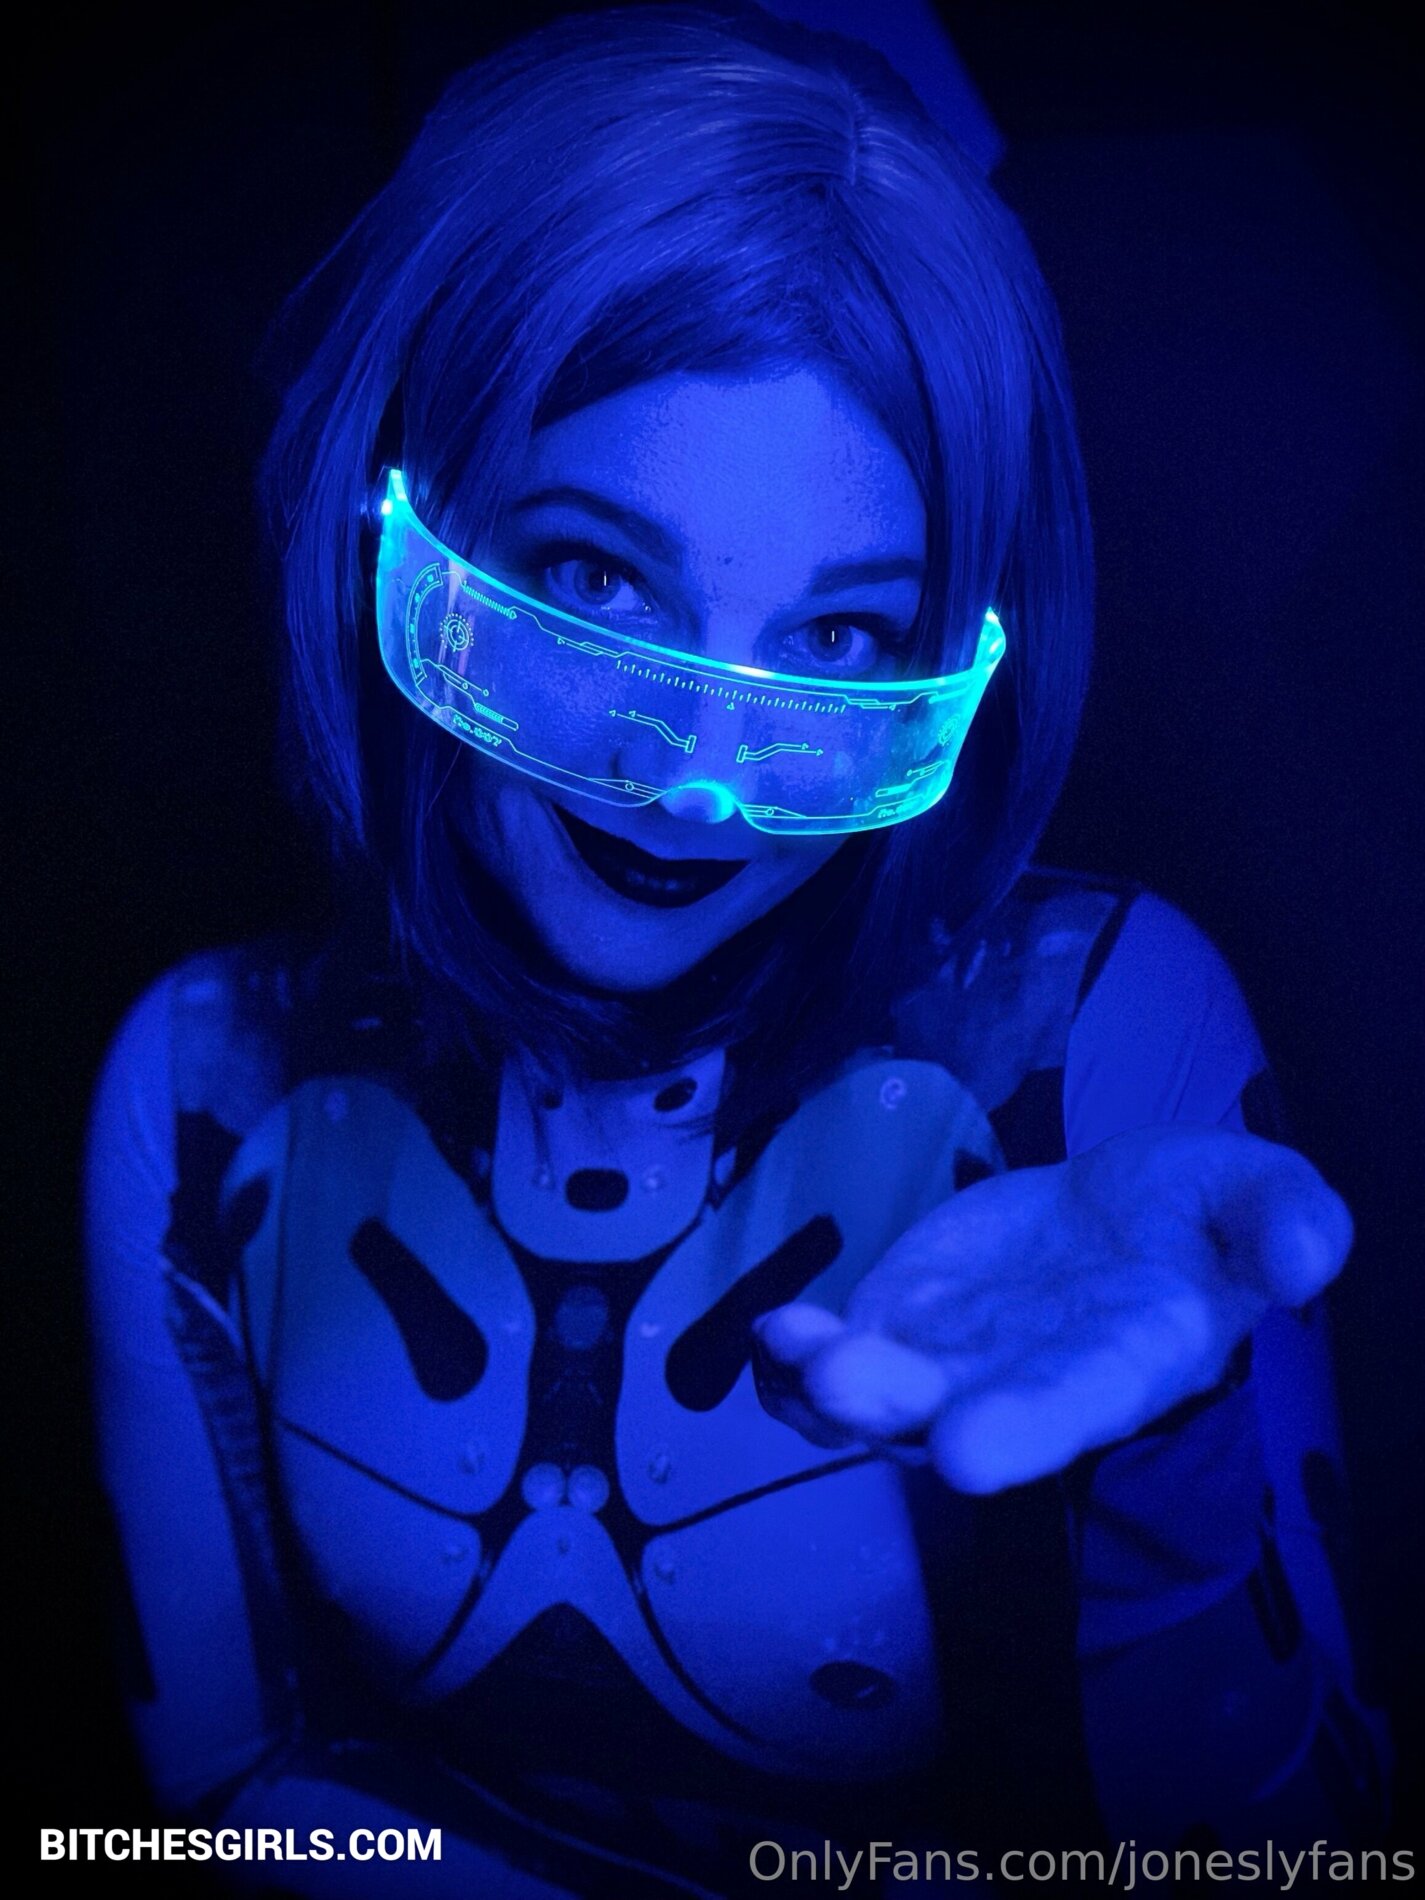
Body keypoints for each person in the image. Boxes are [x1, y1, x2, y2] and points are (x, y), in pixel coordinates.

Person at [83, 5, 1389, 1892]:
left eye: (840, 640)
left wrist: (1172, 1476)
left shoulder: (1092, 1038)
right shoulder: (207, 1078)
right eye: (595, 577)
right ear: (400, 524)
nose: (696, 779)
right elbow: (195, 1807)